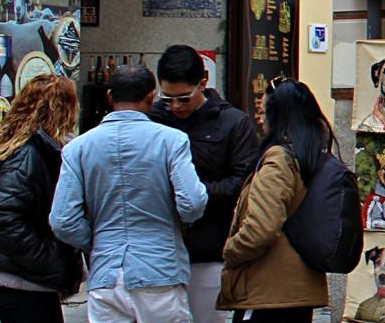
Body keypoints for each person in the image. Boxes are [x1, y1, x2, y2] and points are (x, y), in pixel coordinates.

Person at [50, 64, 208, 323]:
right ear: (151, 96)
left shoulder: (77, 148)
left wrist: (99, 241)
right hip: (160, 266)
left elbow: (62, 220)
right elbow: (192, 203)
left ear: (110, 96)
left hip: (106, 274)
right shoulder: (171, 140)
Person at [151, 45, 258, 323]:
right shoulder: (154, 120)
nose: (175, 107)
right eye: (168, 98)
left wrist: (192, 193)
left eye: (184, 98)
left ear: (203, 83)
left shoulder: (233, 123)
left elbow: (242, 185)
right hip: (158, 253)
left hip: (210, 251)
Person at [218, 79, 330, 323]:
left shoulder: (279, 160)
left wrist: (230, 250)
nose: (260, 120)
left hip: (268, 292)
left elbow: (261, 228)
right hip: (297, 290)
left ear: (277, 117)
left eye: (264, 112)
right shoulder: (311, 156)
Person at [0, 74, 82, 323]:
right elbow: (1, 214)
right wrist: (46, 258)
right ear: (64, 108)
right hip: (20, 280)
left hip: (20, 279)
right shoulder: (27, 153)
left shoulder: (27, 145)